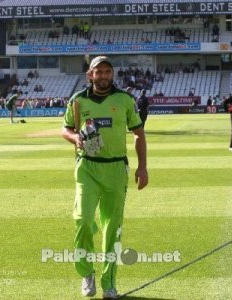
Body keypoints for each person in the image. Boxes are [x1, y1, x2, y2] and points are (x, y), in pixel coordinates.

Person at [61, 56, 148, 299]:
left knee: (113, 229)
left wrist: (143, 167)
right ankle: (86, 272)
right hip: (87, 168)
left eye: (107, 72)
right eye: (98, 72)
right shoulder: (78, 100)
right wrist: (75, 138)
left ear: (112, 74)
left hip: (115, 169)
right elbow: (65, 128)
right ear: (90, 74)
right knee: (83, 221)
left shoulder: (124, 100)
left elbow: (139, 134)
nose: (103, 76)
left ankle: (109, 283)